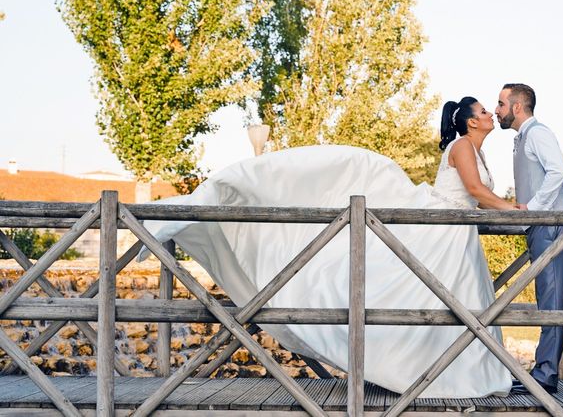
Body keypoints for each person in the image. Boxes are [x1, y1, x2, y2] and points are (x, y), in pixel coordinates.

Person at [142, 97, 513, 397]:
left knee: (452, 300)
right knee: (421, 292)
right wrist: (514, 208)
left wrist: (505, 208)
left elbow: (476, 197)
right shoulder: (463, 145)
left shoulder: (475, 149)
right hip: (443, 228)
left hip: (457, 231)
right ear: (469, 122)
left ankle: (457, 368)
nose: (489, 114)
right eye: (483, 110)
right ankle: (421, 366)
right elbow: (477, 191)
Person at [495, 83, 563, 395]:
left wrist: (535, 208)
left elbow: (559, 171)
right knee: (546, 299)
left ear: (516, 107)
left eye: (500, 104)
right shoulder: (523, 137)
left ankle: (546, 374)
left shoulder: (538, 133)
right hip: (540, 227)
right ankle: (544, 370)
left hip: (550, 225)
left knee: (552, 301)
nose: (496, 109)